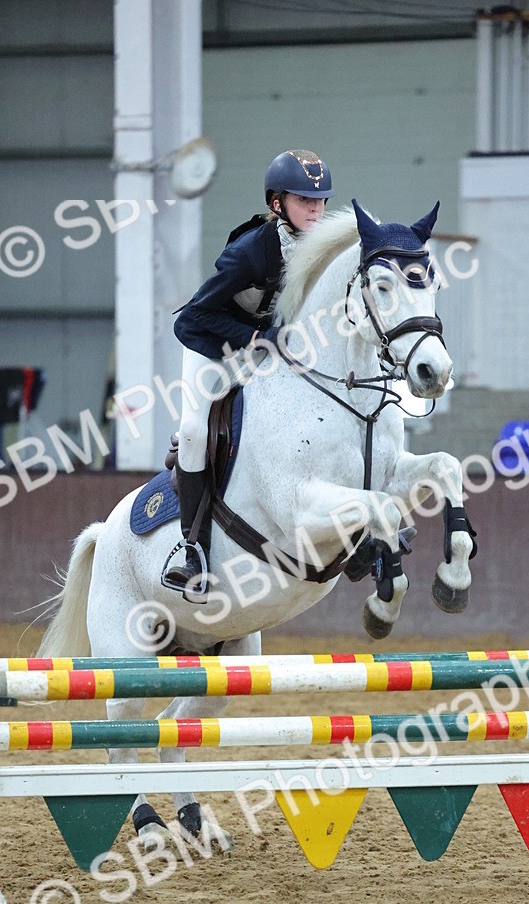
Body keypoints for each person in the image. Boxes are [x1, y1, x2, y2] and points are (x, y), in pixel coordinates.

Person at [164, 149, 334, 594]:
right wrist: (258, 339)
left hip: (265, 347)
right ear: (277, 203)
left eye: (320, 201)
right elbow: (194, 317)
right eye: (304, 200)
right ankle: (192, 550)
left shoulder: (322, 247)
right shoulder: (248, 253)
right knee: (194, 431)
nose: (316, 210)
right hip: (211, 345)